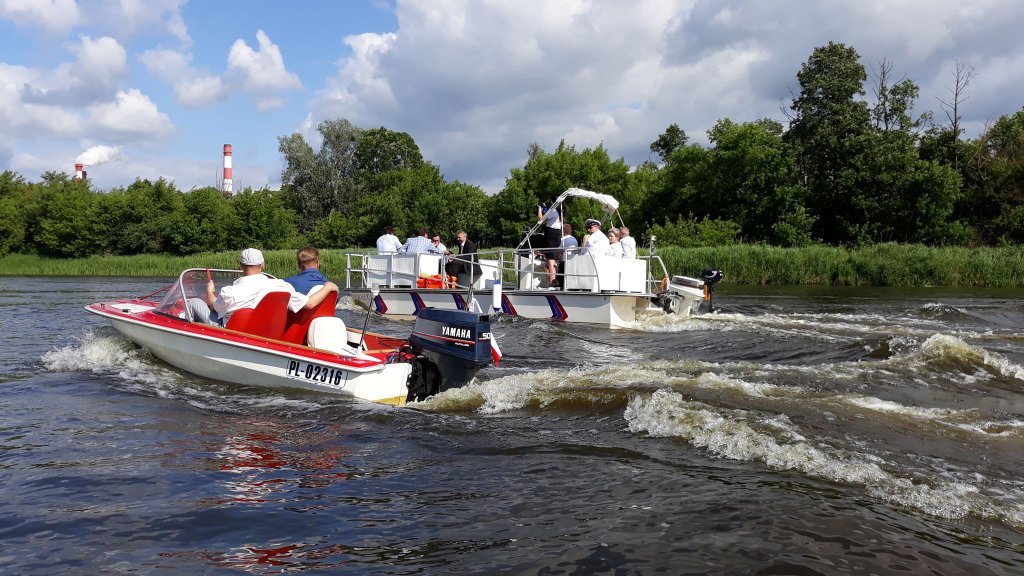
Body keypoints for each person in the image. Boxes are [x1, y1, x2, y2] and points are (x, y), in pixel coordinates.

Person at [187, 248, 338, 326]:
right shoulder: (280, 286)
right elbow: (309, 303)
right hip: (263, 333)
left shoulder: (230, 292)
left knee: (193, 302)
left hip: (232, 332)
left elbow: (213, 306)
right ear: (263, 265)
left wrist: (209, 291)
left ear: (241, 265)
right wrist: (328, 287)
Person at [537, 202, 562, 286]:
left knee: (550, 261)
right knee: (553, 261)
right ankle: (554, 281)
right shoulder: (559, 212)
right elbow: (548, 220)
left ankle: (552, 283)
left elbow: (541, 219)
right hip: (557, 235)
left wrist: (540, 209)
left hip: (551, 236)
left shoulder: (552, 211)